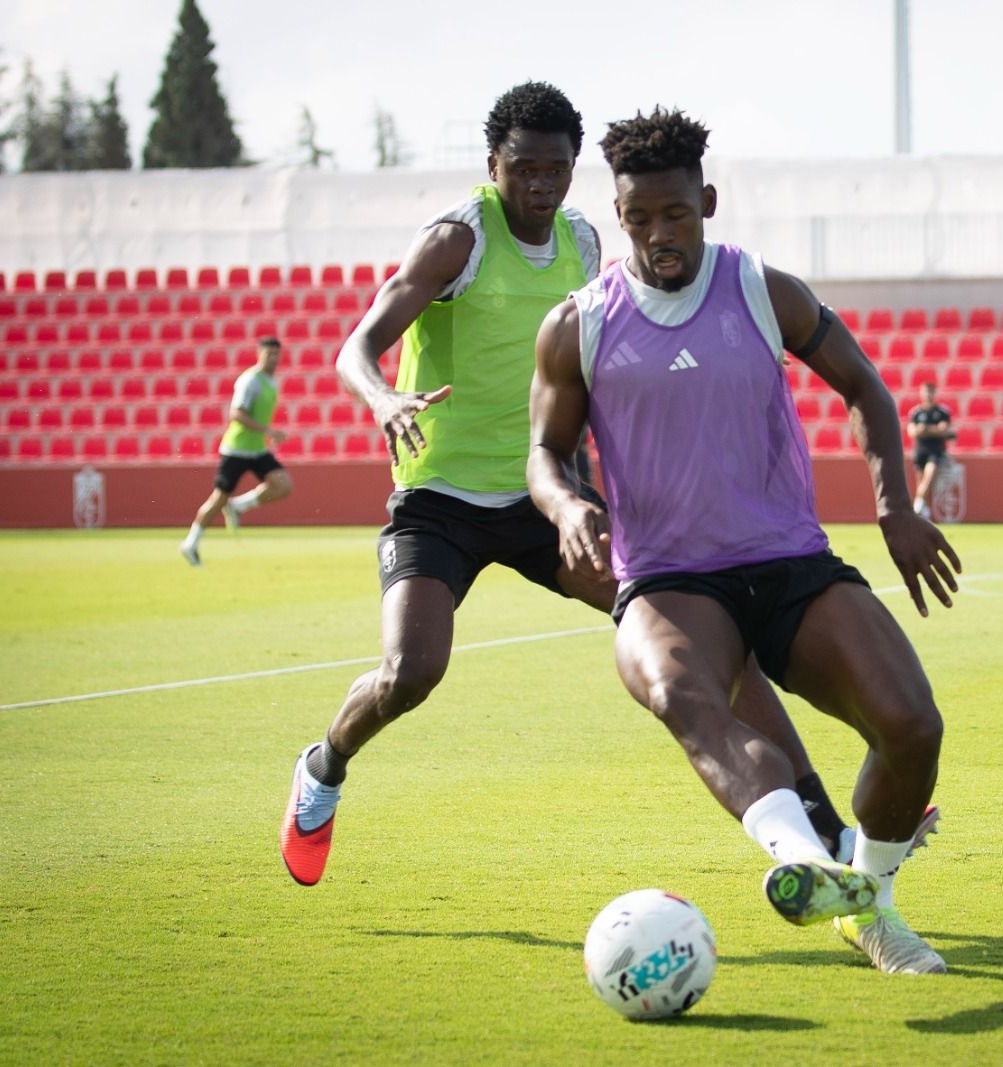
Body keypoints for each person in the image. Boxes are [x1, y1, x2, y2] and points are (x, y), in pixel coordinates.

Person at [279, 83, 879, 889]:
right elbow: (359, 344)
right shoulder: (457, 241)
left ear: (574, 172)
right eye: (522, 168)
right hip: (442, 502)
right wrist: (384, 398)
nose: (539, 184)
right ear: (493, 166)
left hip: (550, 500)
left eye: (556, 169)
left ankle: (823, 826)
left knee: (709, 635)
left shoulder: (583, 240)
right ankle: (323, 766)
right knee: (409, 672)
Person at [528, 107, 962, 975]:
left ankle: (865, 899)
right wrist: (569, 507)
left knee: (913, 727)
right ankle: (803, 861)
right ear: (619, 217)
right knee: (683, 692)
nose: (660, 235)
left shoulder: (764, 290)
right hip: (668, 580)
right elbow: (545, 451)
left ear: (708, 201)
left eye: (676, 214)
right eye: (640, 218)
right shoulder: (579, 322)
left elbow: (866, 388)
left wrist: (895, 508)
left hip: (789, 563)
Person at [179, 336, 292, 565]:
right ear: (259, 354)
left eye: (276, 354)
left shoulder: (271, 382)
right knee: (219, 498)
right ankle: (190, 543)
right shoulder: (250, 380)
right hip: (237, 448)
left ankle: (239, 506)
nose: (273, 358)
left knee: (283, 485)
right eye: (268, 354)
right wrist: (268, 430)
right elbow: (236, 414)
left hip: (257, 448)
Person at [907, 380, 953, 519]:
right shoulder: (916, 412)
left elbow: (943, 430)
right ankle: (923, 512)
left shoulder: (942, 412)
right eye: (925, 392)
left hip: (936, 450)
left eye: (930, 392)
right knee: (922, 482)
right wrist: (933, 429)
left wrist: (924, 429)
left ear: (934, 393)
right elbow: (912, 432)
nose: (928, 395)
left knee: (930, 475)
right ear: (921, 393)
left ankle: (916, 505)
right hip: (920, 450)